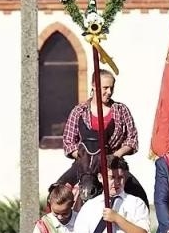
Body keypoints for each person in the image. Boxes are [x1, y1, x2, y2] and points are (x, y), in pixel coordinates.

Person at [58, 71, 148, 205]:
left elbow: (132, 139)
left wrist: (116, 155)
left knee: (138, 192)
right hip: (84, 165)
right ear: (94, 86)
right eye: (105, 88)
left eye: (112, 88)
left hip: (113, 163)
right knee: (57, 193)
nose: (109, 92)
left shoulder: (121, 110)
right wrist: (84, 156)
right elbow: (68, 142)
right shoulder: (79, 111)